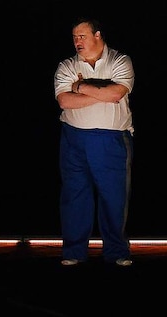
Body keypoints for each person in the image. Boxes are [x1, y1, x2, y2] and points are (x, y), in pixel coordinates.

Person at [53, 17, 135, 267]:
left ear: (97, 35)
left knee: (114, 197)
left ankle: (117, 252)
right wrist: (100, 92)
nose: (77, 41)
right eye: (75, 37)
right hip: (74, 139)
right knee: (75, 196)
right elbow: (65, 102)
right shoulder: (67, 65)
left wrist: (79, 86)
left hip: (111, 139)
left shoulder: (120, 61)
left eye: (82, 36)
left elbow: (117, 93)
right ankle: (74, 252)